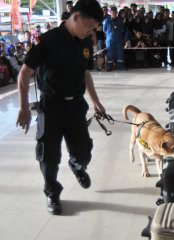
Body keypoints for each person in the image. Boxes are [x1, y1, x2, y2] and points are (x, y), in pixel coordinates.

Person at [16, 0, 106, 215]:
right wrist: (24, 108)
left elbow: (85, 74)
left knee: (83, 152)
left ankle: (77, 165)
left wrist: (95, 101)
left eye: (94, 29)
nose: (91, 32)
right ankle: (52, 193)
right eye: (90, 26)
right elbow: (24, 74)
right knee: (48, 156)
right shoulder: (46, 41)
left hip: (76, 105)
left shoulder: (85, 42)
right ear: (75, 17)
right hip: (51, 106)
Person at [103, 6, 126, 71]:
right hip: (110, 40)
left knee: (120, 53)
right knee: (110, 53)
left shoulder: (120, 20)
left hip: (119, 39)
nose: (114, 13)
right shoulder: (106, 20)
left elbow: (122, 29)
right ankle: (109, 67)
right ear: (110, 12)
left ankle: (120, 66)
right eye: (113, 12)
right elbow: (104, 30)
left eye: (115, 12)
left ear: (117, 12)